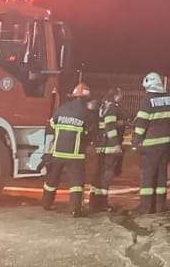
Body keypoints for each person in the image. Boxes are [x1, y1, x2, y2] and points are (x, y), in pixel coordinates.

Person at [43, 82, 94, 217]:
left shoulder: (62, 109)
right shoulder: (86, 114)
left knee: (52, 180)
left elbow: (52, 126)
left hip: (57, 152)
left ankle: (46, 204)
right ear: (86, 99)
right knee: (76, 182)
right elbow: (91, 132)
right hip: (75, 155)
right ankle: (75, 209)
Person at [132, 72, 170, 214]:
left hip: (150, 145)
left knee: (148, 176)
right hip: (166, 145)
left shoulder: (147, 100)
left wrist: (136, 142)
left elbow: (141, 124)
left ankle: (146, 207)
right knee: (161, 176)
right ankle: (160, 206)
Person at [89, 87, 124, 213]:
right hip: (109, 146)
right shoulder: (112, 107)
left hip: (101, 145)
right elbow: (110, 126)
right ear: (116, 95)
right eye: (120, 94)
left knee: (98, 173)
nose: (122, 97)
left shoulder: (102, 106)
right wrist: (116, 144)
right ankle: (102, 203)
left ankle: (94, 202)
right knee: (107, 174)